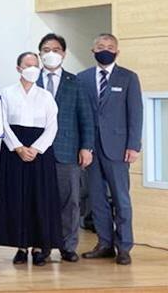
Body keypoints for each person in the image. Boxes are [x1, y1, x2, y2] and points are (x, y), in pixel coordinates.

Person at [0, 52, 62, 266]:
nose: (32, 68)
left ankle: (39, 246)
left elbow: (52, 126)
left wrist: (36, 148)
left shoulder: (46, 96)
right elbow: (2, 123)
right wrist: (18, 147)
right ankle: (21, 247)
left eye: (35, 65)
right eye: (27, 64)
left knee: (40, 197)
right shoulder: (7, 93)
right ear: (18, 68)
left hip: (40, 151)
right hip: (14, 150)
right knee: (17, 197)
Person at [78, 34, 142, 266]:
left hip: (118, 148)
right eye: (101, 46)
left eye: (110, 47)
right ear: (93, 50)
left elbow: (136, 113)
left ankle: (124, 246)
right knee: (96, 199)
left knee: (120, 198)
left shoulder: (128, 77)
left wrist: (133, 145)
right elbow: (80, 113)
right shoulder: (82, 78)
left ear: (117, 51)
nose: (105, 50)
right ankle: (104, 243)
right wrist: (82, 146)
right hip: (91, 149)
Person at [38, 33, 94, 262]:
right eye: (46, 49)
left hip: (67, 150)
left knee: (70, 201)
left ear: (64, 53)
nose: (51, 53)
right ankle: (41, 246)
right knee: (39, 200)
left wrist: (86, 147)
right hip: (37, 151)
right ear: (40, 53)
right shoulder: (31, 80)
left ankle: (67, 246)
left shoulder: (76, 82)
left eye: (56, 49)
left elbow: (86, 117)